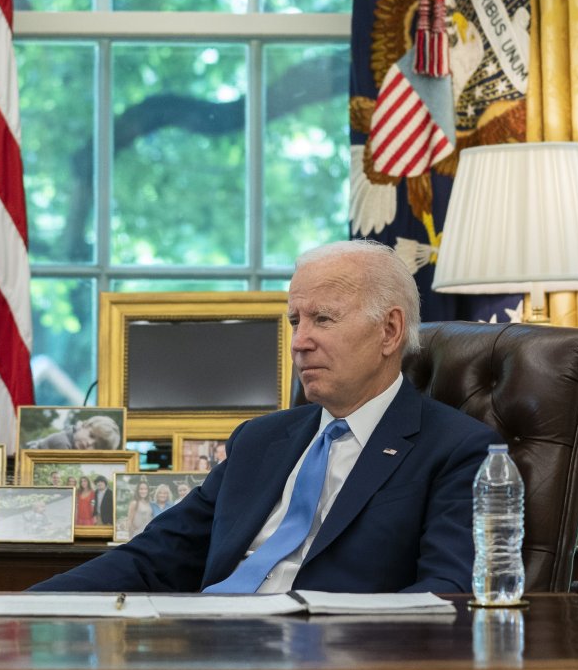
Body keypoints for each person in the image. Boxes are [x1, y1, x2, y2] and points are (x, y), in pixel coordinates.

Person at [32, 239, 501, 594]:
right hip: (209, 651)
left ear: (390, 330)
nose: (299, 341)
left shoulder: (457, 450)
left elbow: (446, 597)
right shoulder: (260, 440)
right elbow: (156, 556)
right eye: (296, 321)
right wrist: (24, 606)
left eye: (323, 319)